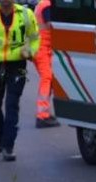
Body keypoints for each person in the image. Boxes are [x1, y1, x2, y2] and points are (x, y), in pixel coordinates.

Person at [0, 0, 39, 162]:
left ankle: (8, 146)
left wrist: (29, 51)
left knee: (12, 104)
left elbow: (35, 38)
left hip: (17, 65)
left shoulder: (25, 14)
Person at [33, 0, 59, 128]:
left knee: (49, 80)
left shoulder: (42, 4)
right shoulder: (47, 5)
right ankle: (42, 116)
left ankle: (45, 113)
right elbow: (50, 25)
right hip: (42, 48)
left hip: (43, 48)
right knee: (47, 78)